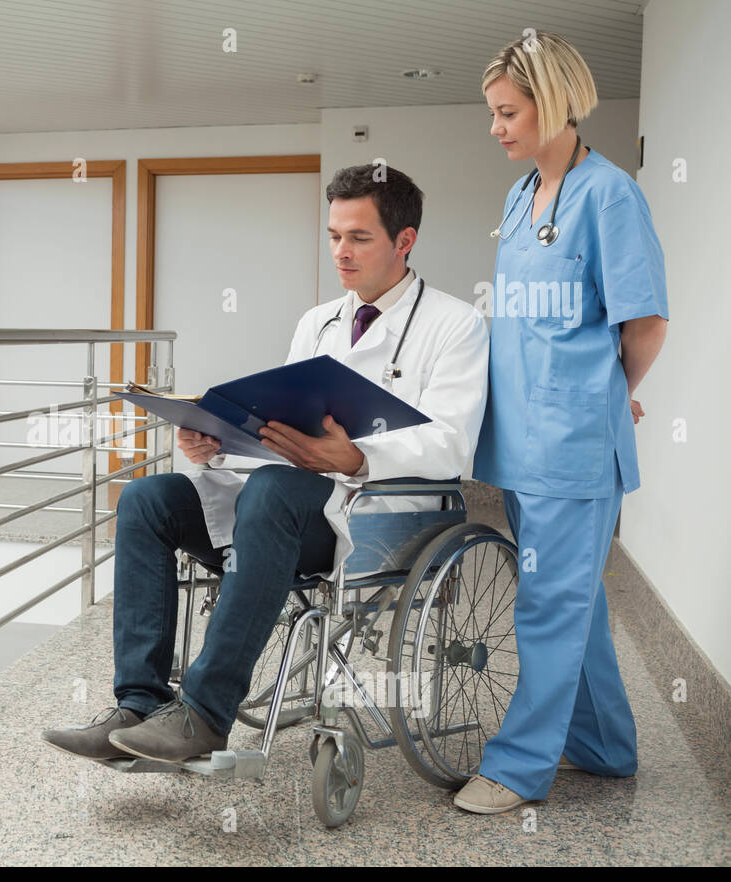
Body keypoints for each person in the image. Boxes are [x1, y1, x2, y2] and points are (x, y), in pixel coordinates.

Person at [42, 164, 490, 764]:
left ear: (404, 241)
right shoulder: (319, 322)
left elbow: (453, 442)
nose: (341, 252)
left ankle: (204, 714)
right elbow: (280, 427)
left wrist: (357, 456)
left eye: (358, 238)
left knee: (275, 491)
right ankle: (139, 703)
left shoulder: (455, 323)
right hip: (285, 505)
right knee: (145, 500)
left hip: (380, 512)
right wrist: (217, 442)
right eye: (333, 235)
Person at [454, 30, 668, 814]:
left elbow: (644, 321)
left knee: (548, 603)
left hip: (573, 445)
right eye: (494, 114)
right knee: (574, 600)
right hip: (521, 440)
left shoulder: (610, 194)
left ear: (555, 102)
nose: (497, 127)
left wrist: (608, 392)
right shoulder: (519, 197)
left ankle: (517, 767)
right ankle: (605, 746)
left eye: (508, 112)